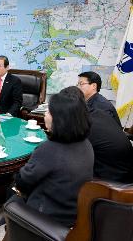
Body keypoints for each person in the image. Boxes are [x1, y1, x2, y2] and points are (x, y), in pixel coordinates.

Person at [9, 87, 94, 227]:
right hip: (72, 213)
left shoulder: (50, 149)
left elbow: (23, 181)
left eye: (48, 111)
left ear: (60, 120)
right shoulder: (86, 144)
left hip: (46, 216)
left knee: (11, 192)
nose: (45, 115)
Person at [62, 86, 133, 183]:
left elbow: (68, 154)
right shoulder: (98, 112)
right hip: (125, 170)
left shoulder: (83, 125)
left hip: (112, 182)